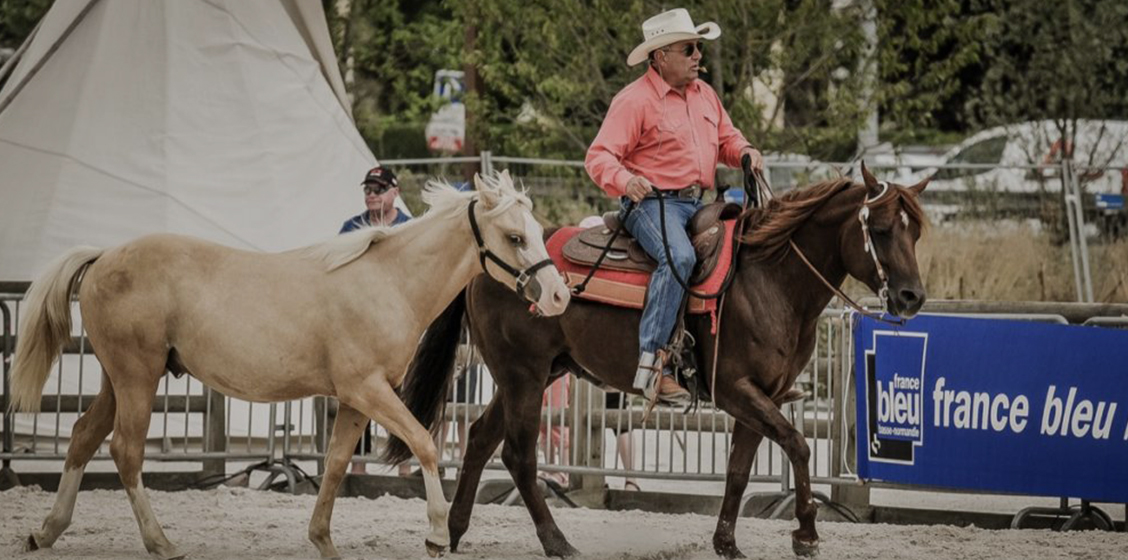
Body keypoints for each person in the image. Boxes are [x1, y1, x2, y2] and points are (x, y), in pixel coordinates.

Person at [585, 8, 764, 407]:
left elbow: (728, 140)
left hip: (696, 203)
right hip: (650, 204)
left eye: (699, 47)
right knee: (679, 258)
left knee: (746, 253)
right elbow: (598, 157)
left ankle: (737, 364)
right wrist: (625, 181)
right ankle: (650, 364)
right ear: (660, 56)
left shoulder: (705, 96)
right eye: (689, 48)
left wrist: (747, 152)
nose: (698, 55)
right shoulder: (634, 101)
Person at [338, 165, 410, 474]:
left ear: (395, 192)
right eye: (368, 189)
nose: (371, 195)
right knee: (357, 396)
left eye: (378, 189)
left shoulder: (409, 228)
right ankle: (357, 469)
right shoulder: (351, 226)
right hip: (360, 326)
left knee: (402, 398)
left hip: (397, 325)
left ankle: (404, 465)